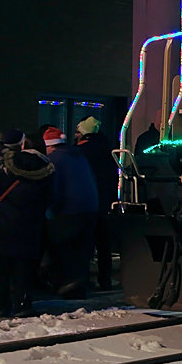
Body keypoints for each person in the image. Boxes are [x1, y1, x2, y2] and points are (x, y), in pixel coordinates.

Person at [0, 129, 53, 317]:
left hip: (5, 221)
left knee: (2, 265)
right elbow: (50, 198)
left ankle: (0, 304)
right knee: (23, 267)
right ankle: (23, 304)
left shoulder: (9, 165)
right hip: (30, 223)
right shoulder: (47, 168)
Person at [43, 127, 98, 298]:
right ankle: (79, 284)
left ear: (50, 146)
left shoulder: (53, 160)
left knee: (61, 248)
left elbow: (55, 190)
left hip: (68, 212)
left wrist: (50, 211)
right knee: (81, 251)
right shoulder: (79, 156)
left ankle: (65, 284)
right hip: (90, 209)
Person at [74, 117, 116, 289]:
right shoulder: (107, 149)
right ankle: (105, 279)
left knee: (85, 243)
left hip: (87, 201)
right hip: (105, 200)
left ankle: (83, 279)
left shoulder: (81, 152)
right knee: (103, 243)